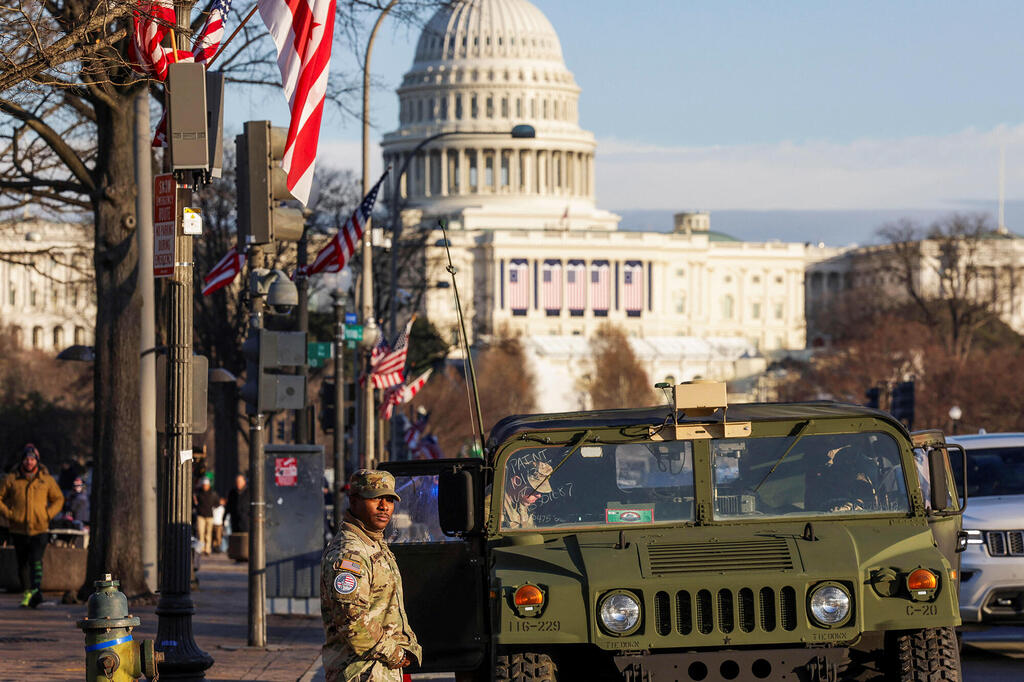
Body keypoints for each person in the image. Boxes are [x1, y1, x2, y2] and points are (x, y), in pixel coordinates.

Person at [320, 469, 421, 682]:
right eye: (375, 498)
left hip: (379, 670)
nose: (384, 506)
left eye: (390, 500)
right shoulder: (350, 553)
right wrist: (396, 653)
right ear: (354, 501)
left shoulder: (373, 543)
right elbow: (352, 620)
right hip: (362, 672)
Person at [0, 444, 64, 607]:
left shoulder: (46, 479)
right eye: (26, 459)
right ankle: (27, 593)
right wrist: (10, 514)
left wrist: (47, 514)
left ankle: (36, 591)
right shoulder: (11, 479)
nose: (29, 462)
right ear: (22, 461)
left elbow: (58, 499)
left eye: (32, 459)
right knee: (22, 563)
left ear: (37, 461)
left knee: (36, 560)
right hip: (18, 528)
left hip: (40, 527)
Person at [502, 461, 553, 529]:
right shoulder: (492, 506)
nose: (539, 495)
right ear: (516, 482)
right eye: (534, 489)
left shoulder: (521, 498)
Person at [193, 476, 219, 555]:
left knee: (208, 533)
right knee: (201, 533)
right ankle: (202, 548)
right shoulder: (198, 493)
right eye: (204, 485)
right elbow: (194, 503)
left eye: (206, 485)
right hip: (200, 515)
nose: (205, 486)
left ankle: (207, 549)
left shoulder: (213, 493)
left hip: (209, 516)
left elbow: (216, 503)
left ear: (209, 485)